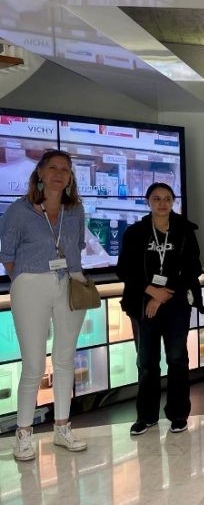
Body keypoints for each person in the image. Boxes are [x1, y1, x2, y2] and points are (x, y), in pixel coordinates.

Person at [0, 149, 88, 461]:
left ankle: (62, 427)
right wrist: (29, 279)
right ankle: (23, 434)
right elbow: (7, 255)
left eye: (65, 169)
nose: (59, 174)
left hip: (70, 284)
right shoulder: (18, 210)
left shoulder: (76, 210)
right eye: (53, 167)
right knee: (34, 364)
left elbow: (77, 247)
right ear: (40, 172)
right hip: (31, 285)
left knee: (65, 360)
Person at [117, 182, 204, 436]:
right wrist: (151, 291)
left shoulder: (185, 231)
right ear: (148, 202)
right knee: (146, 361)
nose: (163, 203)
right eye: (157, 198)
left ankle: (178, 414)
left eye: (167, 198)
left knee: (177, 359)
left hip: (175, 302)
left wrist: (163, 295)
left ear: (173, 201)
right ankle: (146, 416)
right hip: (143, 304)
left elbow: (193, 269)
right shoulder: (135, 232)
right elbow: (125, 269)